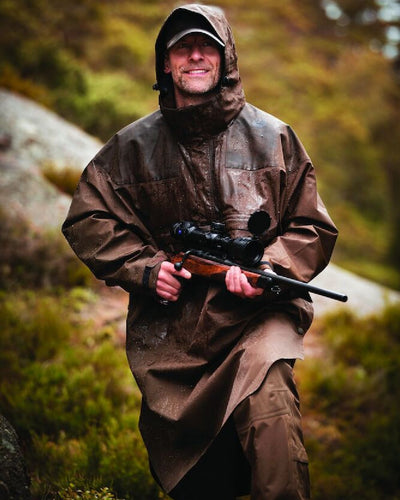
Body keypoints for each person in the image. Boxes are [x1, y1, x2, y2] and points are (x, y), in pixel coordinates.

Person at [62, 4, 338, 499]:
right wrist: (146, 269)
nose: (194, 56)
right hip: (175, 333)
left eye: (206, 46)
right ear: (165, 63)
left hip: (258, 315)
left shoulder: (274, 137)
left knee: (270, 398)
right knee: (198, 473)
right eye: (181, 48)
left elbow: (311, 227)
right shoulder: (131, 147)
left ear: (225, 57)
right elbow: (88, 218)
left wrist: (269, 269)